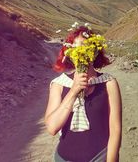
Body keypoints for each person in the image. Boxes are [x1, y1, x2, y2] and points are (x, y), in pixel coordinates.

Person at [44, 25, 122, 162]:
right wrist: (73, 91)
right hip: (64, 158)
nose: (81, 51)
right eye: (76, 47)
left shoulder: (109, 83)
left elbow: (115, 129)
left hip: (100, 157)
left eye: (86, 46)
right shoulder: (59, 85)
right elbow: (52, 128)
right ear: (69, 53)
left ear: (95, 52)